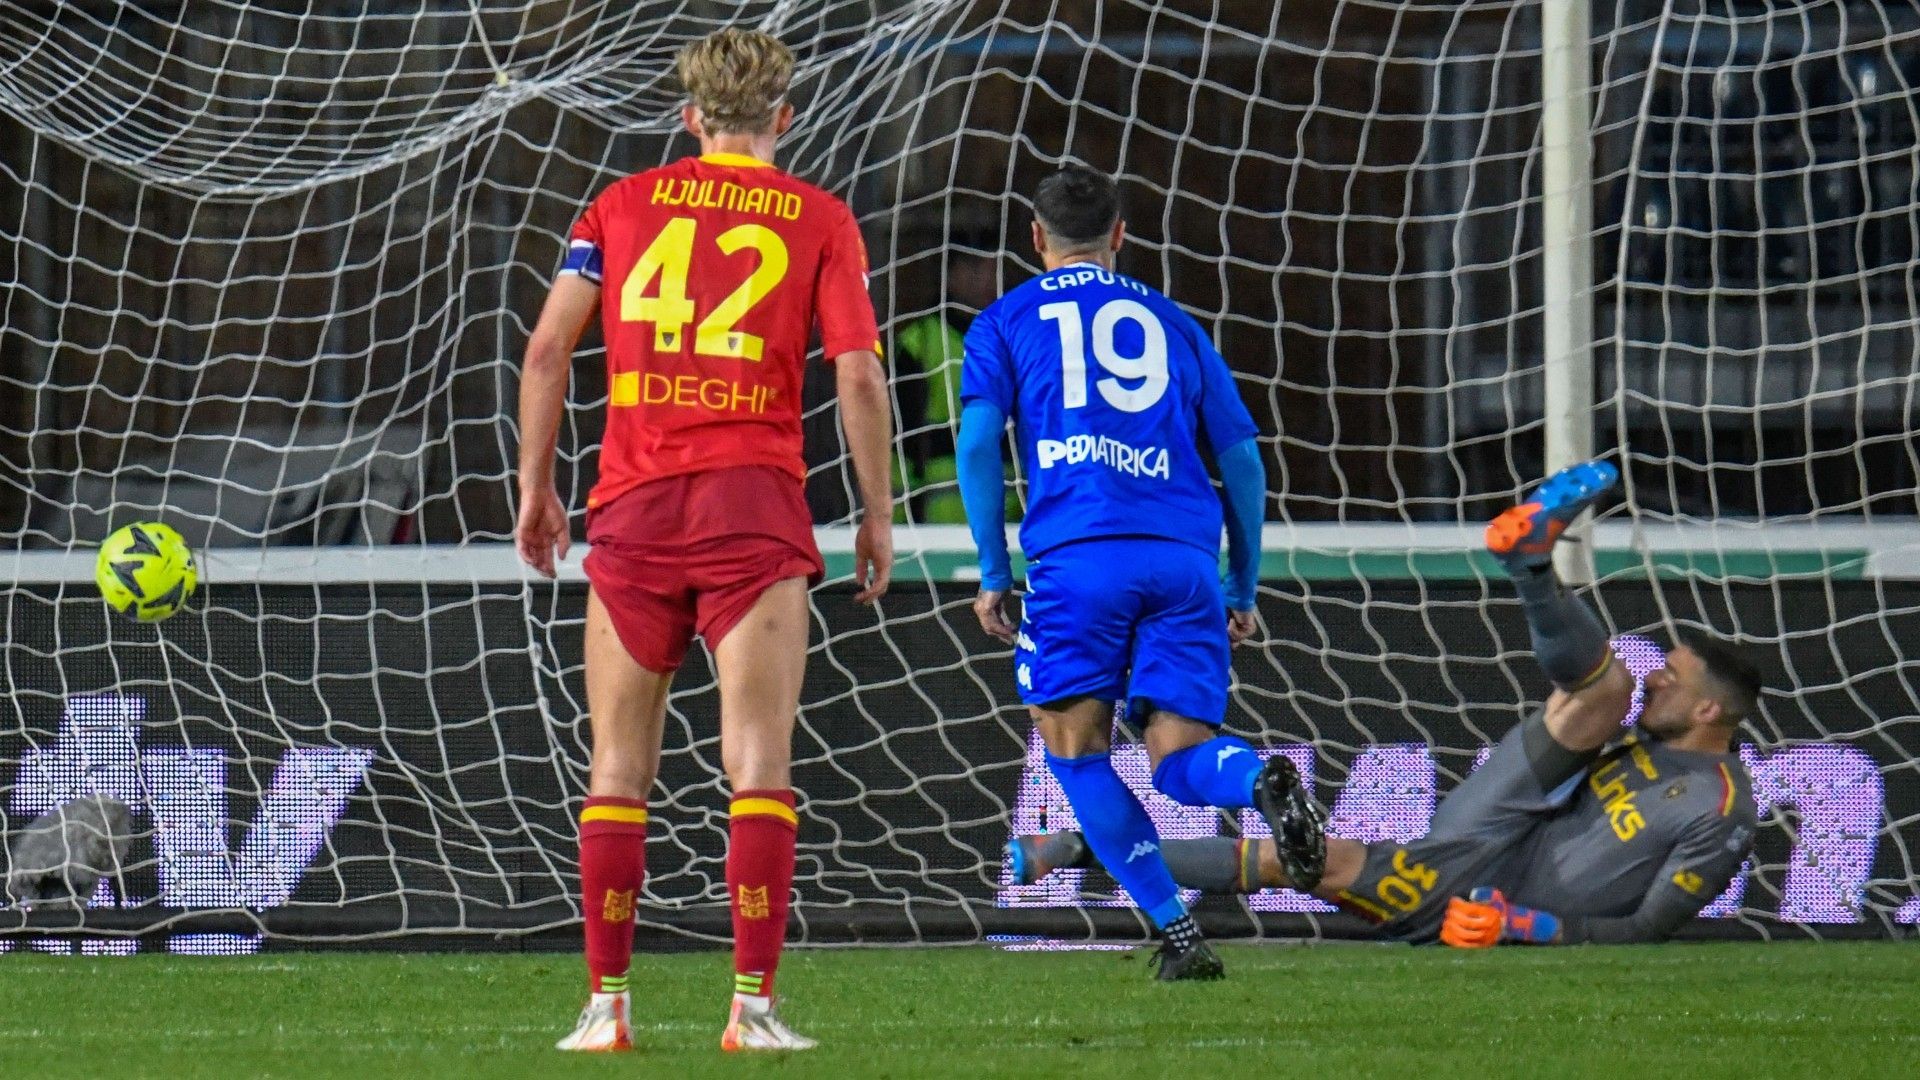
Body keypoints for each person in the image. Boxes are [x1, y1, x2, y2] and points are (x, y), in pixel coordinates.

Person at [515, 28, 893, 1053]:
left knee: (616, 767)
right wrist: (875, 511)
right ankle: (751, 1010)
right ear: (785, 118)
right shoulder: (819, 217)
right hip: (751, 510)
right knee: (758, 761)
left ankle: (605, 1009)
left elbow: (547, 351)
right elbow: (859, 374)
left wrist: (537, 490)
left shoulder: (619, 206)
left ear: (690, 119)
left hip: (633, 511)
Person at [1011, 461, 1764, 946]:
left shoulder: (1723, 806)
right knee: (1608, 688)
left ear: (1711, 713)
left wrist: (1527, 926)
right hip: (1497, 828)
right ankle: (1531, 564)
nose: (1659, 680)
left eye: (1675, 679)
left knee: (1301, 859)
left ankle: (1081, 847)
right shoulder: (1642, 741)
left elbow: (1652, 926)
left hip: (1486, 893)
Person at [957, 165, 1325, 982]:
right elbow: (1242, 459)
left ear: (1035, 238)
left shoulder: (1005, 319)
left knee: (1076, 753)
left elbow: (978, 444)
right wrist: (1241, 585)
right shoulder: (1176, 323)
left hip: (1080, 558)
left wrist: (992, 569)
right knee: (1181, 759)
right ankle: (1257, 778)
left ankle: (1179, 935)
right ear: (1120, 236)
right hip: (1184, 561)